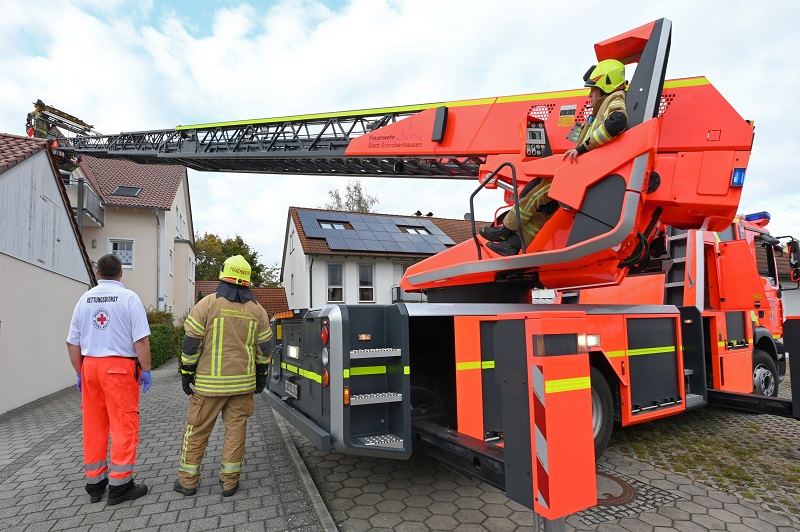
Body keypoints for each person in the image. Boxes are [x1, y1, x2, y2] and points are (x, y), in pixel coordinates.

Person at [481, 59, 629, 256]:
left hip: (585, 171)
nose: (589, 95)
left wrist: (583, 148)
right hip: (591, 172)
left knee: (535, 190)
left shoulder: (614, 99)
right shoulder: (606, 105)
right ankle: (512, 245)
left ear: (605, 86)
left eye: (592, 90)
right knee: (546, 208)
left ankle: (505, 230)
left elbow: (617, 122)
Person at [174, 255, 273, 497]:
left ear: (223, 274)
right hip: (243, 386)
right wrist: (261, 376)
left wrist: (187, 373)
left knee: (196, 431)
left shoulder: (207, 304)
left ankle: (187, 482)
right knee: (236, 432)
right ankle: (230, 481)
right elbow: (266, 349)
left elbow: (190, 344)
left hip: (209, 387)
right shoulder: (258, 310)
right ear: (247, 280)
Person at [66, 253, 152, 505]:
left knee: (94, 425)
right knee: (123, 424)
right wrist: (146, 369)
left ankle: (95, 483)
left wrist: (80, 372)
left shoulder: (84, 299)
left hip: (91, 367)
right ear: (121, 273)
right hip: (119, 369)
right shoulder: (129, 298)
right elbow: (142, 340)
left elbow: (72, 342)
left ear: (97, 274)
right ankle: (120, 485)